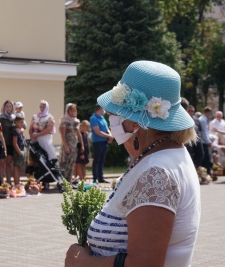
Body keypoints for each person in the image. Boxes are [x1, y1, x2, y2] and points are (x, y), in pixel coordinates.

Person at [65, 60, 200, 267]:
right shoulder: (164, 156)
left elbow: (145, 263)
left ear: (135, 121)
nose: (111, 118)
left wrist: (82, 262)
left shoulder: (157, 172)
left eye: (115, 113)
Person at [29, 100, 59, 167]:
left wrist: (37, 135)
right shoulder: (34, 116)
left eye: (44, 107)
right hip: (35, 140)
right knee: (36, 157)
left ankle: (54, 169)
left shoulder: (50, 117)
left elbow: (48, 130)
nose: (42, 108)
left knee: (50, 154)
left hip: (45, 140)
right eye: (41, 107)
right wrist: (32, 137)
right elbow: (30, 129)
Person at [59, 103, 83, 183]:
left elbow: (78, 133)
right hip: (67, 145)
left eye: (74, 111)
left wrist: (82, 144)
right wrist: (66, 147)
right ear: (67, 111)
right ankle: (62, 182)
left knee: (71, 163)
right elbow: (63, 136)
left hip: (74, 145)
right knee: (65, 164)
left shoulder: (77, 121)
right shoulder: (64, 121)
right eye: (71, 111)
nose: (73, 113)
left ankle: (69, 181)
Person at [90, 104, 113, 183]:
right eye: (103, 108)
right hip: (97, 142)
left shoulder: (102, 118)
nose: (104, 110)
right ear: (99, 109)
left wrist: (110, 136)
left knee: (102, 160)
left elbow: (107, 128)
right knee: (97, 160)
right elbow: (98, 132)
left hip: (104, 141)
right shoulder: (93, 118)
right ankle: (95, 178)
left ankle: (101, 178)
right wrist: (109, 136)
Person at [0, 100, 15, 184]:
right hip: (2, 143)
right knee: (2, 163)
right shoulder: (1, 118)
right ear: (4, 107)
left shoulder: (14, 117)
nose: (8, 108)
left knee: (9, 163)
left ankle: (9, 182)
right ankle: (2, 183)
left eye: (10, 106)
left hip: (11, 143)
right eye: (7, 106)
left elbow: (21, 126)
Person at [199, 107, 213, 176]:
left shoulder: (203, 119)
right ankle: (207, 174)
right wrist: (208, 141)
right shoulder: (203, 120)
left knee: (204, 158)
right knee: (206, 158)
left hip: (203, 140)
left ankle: (205, 174)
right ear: (207, 112)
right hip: (203, 141)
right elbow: (204, 132)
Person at [12, 115, 26, 185]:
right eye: (21, 122)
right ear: (16, 122)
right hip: (18, 151)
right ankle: (16, 182)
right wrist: (19, 153)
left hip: (22, 150)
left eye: (23, 122)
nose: (22, 124)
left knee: (19, 167)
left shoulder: (20, 130)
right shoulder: (15, 131)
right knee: (16, 167)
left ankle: (18, 181)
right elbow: (14, 143)